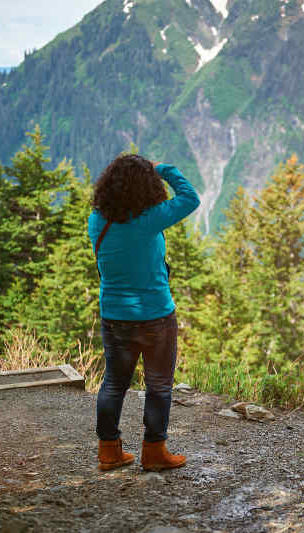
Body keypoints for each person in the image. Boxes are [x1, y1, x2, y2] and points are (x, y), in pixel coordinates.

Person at [88, 154, 200, 471]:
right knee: (159, 385)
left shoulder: (97, 220)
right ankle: (154, 452)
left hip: (114, 315)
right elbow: (190, 198)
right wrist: (162, 168)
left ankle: (109, 450)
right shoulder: (150, 220)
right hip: (156, 317)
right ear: (147, 187)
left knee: (113, 384)